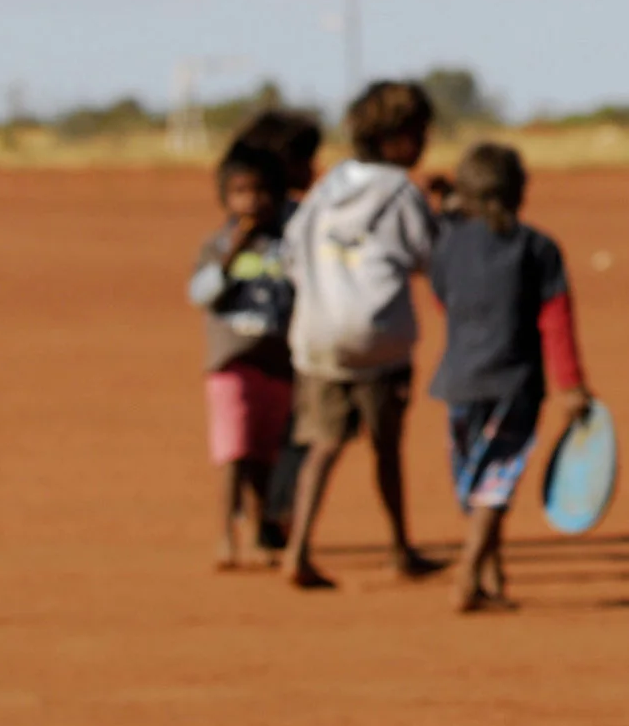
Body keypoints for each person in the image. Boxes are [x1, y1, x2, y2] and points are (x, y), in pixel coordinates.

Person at [277, 79, 439, 590]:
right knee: (386, 446)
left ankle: (297, 551)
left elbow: (291, 248)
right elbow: (428, 255)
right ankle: (400, 549)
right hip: (380, 339)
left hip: (318, 334)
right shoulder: (401, 192)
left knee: (322, 446)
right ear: (396, 139)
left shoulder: (327, 187)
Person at [425, 141, 593, 613]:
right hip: (514, 384)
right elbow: (555, 319)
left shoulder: (447, 244)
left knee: (476, 484)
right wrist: (571, 385)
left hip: (458, 381)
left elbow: (442, 301)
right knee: (493, 486)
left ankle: (490, 575)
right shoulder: (537, 248)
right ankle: (466, 579)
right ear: (519, 191)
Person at [186, 143, 297, 569]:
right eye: (241, 192)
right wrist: (233, 252)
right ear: (225, 197)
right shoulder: (216, 246)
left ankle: (257, 532)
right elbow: (200, 294)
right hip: (232, 364)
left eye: (262, 192)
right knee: (234, 452)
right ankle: (224, 537)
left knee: (265, 457)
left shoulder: (285, 247)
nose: (252, 201)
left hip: (278, 364)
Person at [231, 108, 326, 551]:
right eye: (306, 159)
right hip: (277, 345)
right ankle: (269, 515)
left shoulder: (282, 214)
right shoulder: (280, 219)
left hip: (282, 341)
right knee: (286, 434)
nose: (313, 169)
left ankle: (265, 516)